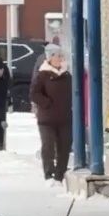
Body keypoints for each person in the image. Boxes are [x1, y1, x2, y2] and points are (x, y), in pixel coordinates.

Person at [30, 44, 73, 182]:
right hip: (47, 119)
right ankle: (49, 173)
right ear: (50, 58)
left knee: (64, 146)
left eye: (61, 55)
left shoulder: (67, 75)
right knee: (48, 146)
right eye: (58, 56)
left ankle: (60, 174)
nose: (61, 58)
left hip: (64, 117)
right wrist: (46, 103)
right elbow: (34, 94)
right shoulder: (43, 74)